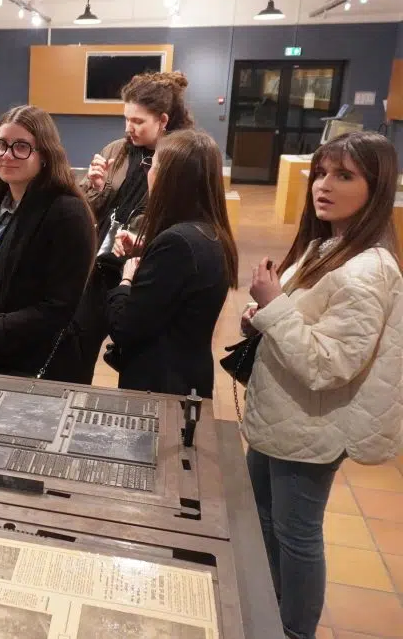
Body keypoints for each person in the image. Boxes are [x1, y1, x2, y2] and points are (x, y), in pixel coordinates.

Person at [242, 131, 403, 639]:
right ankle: (267, 609)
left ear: (376, 188)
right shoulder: (327, 245)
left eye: (344, 175)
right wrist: (264, 312)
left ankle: (293, 630)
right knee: (265, 520)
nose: (323, 185)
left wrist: (273, 306)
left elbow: (329, 365)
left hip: (311, 426)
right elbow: (303, 327)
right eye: (321, 172)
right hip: (284, 415)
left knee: (297, 535)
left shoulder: (365, 271)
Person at [54, 71, 195, 384]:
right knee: (76, 346)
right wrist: (93, 186)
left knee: (135, 359)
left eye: (138, 121)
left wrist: (142, 246)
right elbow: (86, 208)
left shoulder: (181, 159)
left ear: (163, 120)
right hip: (100, 265)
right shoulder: (116, 150)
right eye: (126, 119)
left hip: (143, 272)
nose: (129, 128)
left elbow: (181, 220)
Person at [0, 105, 96, 377]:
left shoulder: (66, 212)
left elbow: (59, 306)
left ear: (45, 155)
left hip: (31, 364)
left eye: (21, 147)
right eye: (1, 144)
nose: (7, 155)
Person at [104, 130, 237, 397]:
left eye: (151, 167)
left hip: (160, 386)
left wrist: (126, 280)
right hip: (186, 378)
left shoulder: (177, 243)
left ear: (169, 179)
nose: (147, 173)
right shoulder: (210, 232)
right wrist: (148, 250)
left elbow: (125, 327)